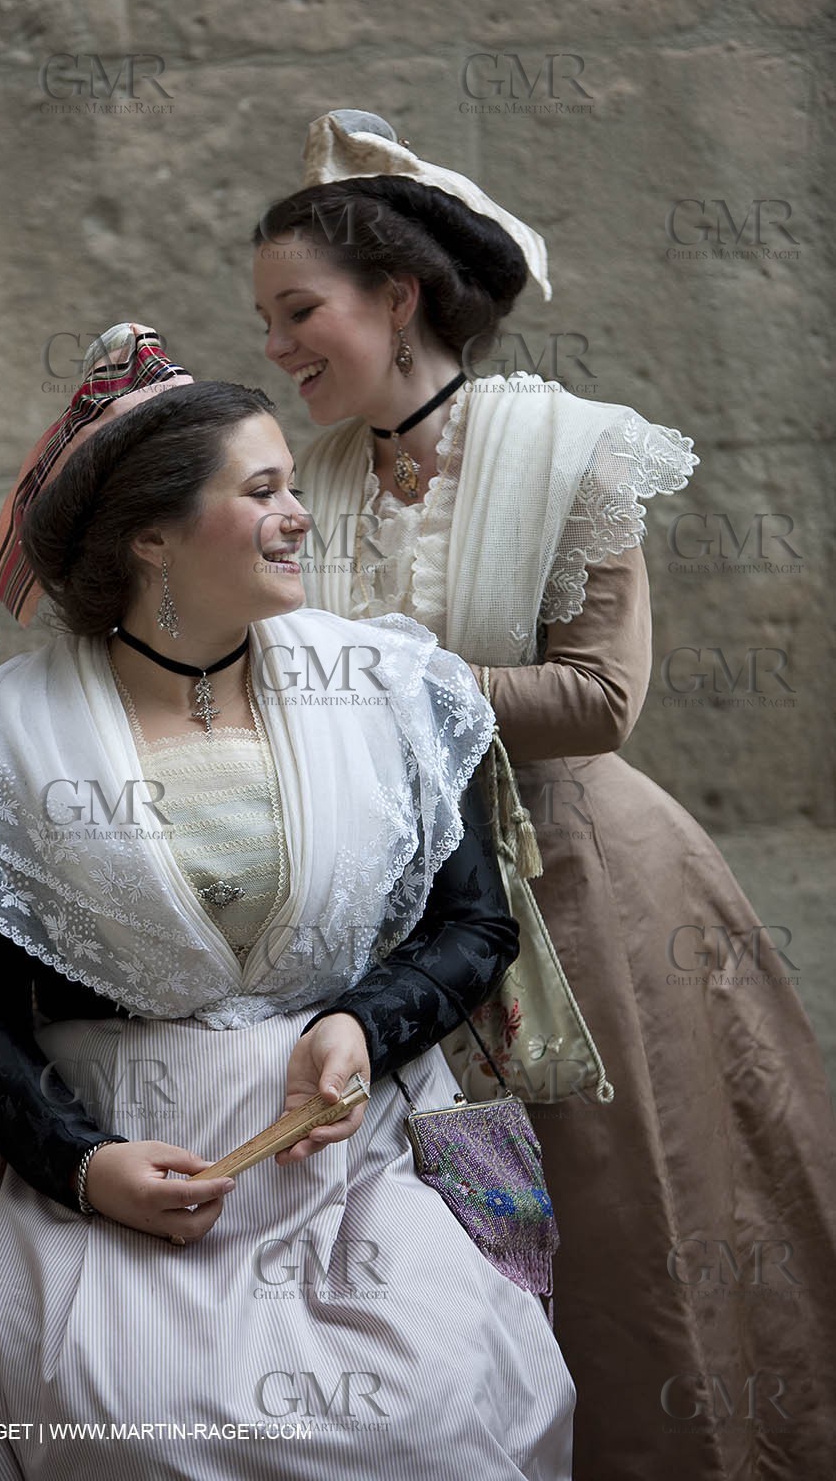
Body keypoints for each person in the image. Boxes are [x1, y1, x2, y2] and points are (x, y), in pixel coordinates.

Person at [0, 361, 575, 1480]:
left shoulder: (391, 689)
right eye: (262, 490)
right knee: (145, 1431)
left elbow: (473, 929)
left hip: (357, 1137)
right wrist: (87, 1167)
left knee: (432, 1411)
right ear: (149, 535)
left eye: (292, 486)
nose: (298, 516)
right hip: (116, 1155)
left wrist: (360, 1028)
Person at [251, 109, 836, 1481]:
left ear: (396, 298)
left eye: (298, 313)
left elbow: (597, 701)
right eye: (264, 320)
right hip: (384, 909)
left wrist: (381, 671)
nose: (275, 350)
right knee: (439, 1247)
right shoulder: (301, 478)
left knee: (621, 1221)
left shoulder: (575, 450)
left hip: (578, 891)